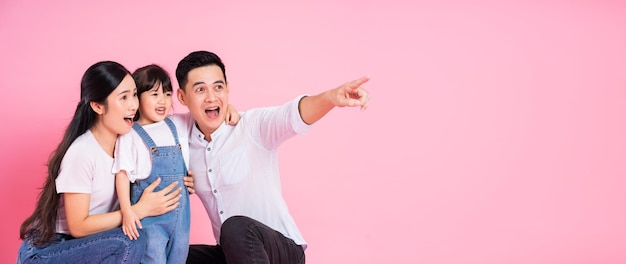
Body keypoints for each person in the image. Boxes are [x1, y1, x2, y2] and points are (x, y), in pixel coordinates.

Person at [174, 51, 370, 264]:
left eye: (218, 87)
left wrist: (330, 98)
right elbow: (146, 123)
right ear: (182, 97)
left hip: (281, 251)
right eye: (200, 89)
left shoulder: (251, 126)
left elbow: (291, 116)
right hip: (233, 255)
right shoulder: (180, 136)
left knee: (234, 227)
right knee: (173, 254)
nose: (212, 97)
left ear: (228, 89)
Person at [17, 61, 189, 264]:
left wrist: (187, 180)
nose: (133, 105)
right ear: (98, 106)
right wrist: (139, 210)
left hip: (94, 244)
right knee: (129, 241)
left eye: (134, 94)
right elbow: (78, 226)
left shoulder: (130, 142)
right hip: (51, 250)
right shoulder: (82, 152)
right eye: (123, 97)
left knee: (135, 236)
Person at [113, 64, 239, 263]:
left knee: (179, 259)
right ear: (137, 98)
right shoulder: (131, 135)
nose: (162, 101)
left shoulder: (178, 123)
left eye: (167, 94)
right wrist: (127, 212)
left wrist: (229, 108)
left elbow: (207, 112)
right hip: (149, 220)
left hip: (181, 220)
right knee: (153, 259)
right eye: (154, 94)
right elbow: (122, 174)